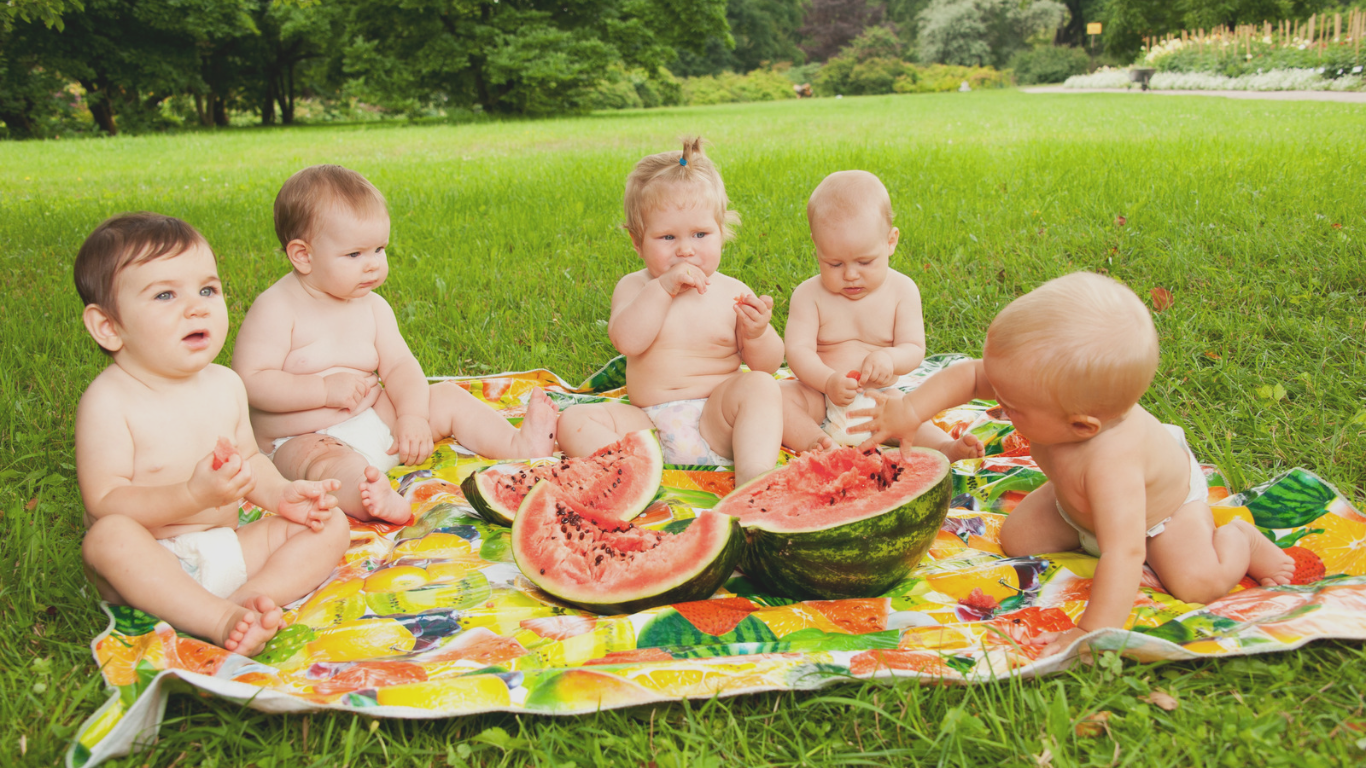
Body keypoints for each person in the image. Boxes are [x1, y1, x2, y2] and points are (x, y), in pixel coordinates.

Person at [850, 272, 1295, 657]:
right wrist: (909, 412)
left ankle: (1241, 541)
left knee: (1196, 582)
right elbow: (970, 375)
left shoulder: (1111, 467)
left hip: (1160, 519)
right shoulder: (1050, 403)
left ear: (1081, 426)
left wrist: (1091, 631)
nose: (997, 403)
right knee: (1016, 538)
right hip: (1076, 501)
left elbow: (1125, 551)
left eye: (1011, 405)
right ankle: (1076, 516)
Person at [75, 213, 350, 656]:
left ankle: (250, 598)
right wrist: (191, 495)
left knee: (330, 524)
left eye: (207, 289)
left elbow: (251, 460)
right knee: (107, 539)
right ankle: (218, 619)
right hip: (155, 561)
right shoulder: (109, 402)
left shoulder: (225, 384)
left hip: (230, 549)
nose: (197, 307)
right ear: (109, 327)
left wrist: (282, 496)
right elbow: (105, 502)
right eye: (165, 294)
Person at [232, 165, 559, 523]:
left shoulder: (372, 306)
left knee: (445, 396)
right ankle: (370, 497)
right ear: (303, 256)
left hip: (379, 422)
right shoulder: (277, 308)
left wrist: (412, 416)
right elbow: (250, 381)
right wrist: (322, 390)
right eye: (355, 255)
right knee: (321, 466)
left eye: (379, 249)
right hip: (304, 436)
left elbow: (401, 367)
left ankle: (520, 446)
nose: (373, 265)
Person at [556, 138, 784, 485]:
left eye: (700, 234)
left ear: (721, 233)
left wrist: (757, 333)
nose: (686, 250)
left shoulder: (733, 291)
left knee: (762, 387)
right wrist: (662, 289)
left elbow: (767, 365)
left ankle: (753, 479)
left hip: (716, 421)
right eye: (667, 238)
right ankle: (635, 478)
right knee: (571, 421)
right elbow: (627, 341)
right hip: (647, 426)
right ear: (637, 241)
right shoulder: (636, 287)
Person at [780, 170, 983, 462]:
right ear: (816, 246)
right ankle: (819, 443)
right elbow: (798, 351)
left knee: (909, 411)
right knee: (780, 399)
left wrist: (889, 359)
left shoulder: (902, 290)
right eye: (834, 263)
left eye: (865, 261)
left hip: (880, 399)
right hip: (819, 397)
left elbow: (913, 348)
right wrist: (828, 382)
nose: (850, 275)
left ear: (890, 241)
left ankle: (944, 448)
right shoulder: (808, 295)